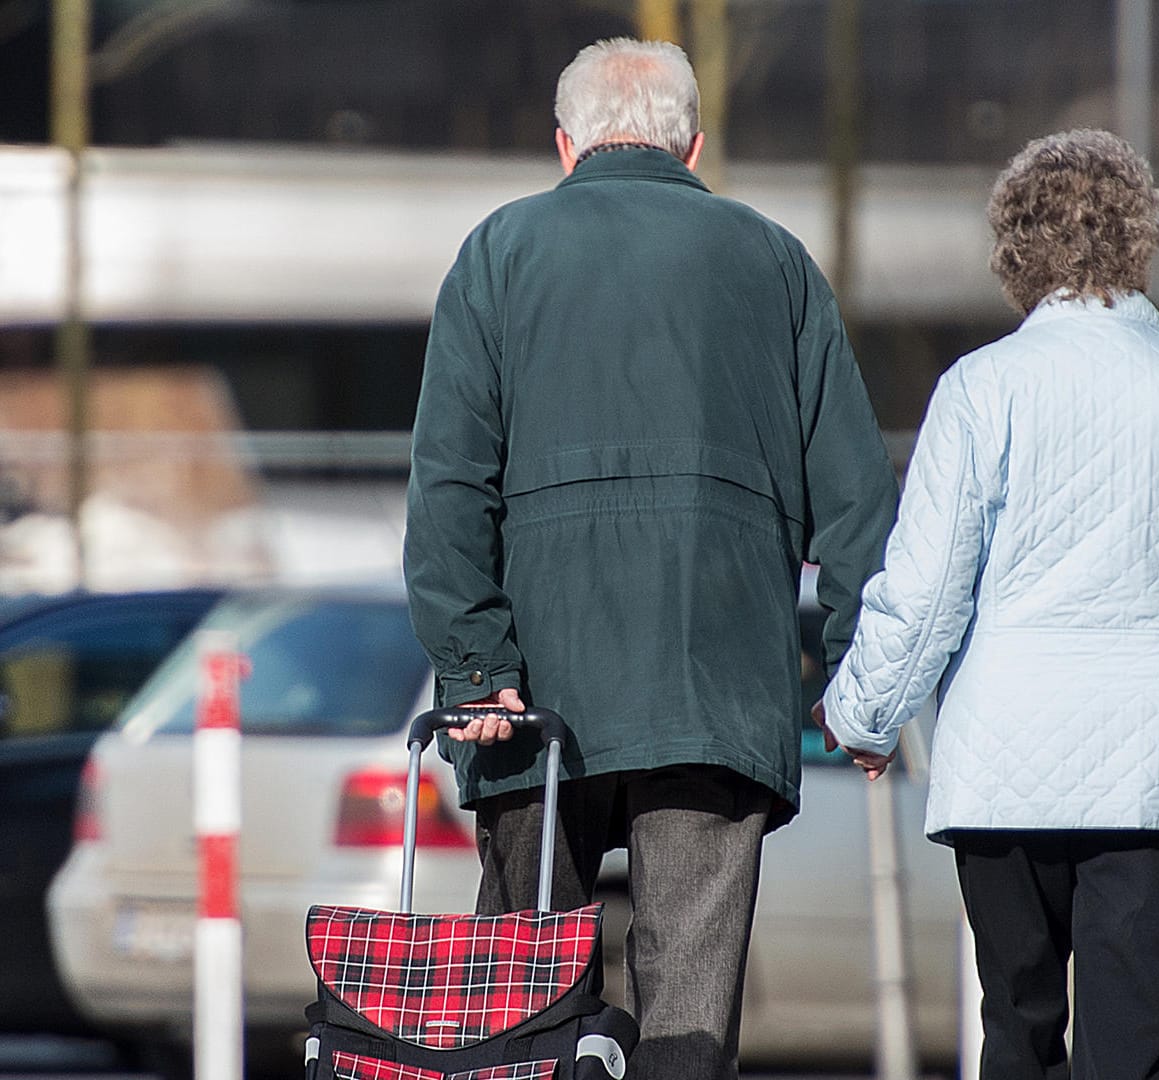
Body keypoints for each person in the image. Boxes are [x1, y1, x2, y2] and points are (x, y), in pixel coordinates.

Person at [403, 38, 897, 1080]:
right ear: (695, 145)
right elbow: (855, 500)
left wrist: (476, 666)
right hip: (712, 686)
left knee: (522, 1008)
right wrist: (863, 679)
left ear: (564, 144)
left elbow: (448, 487)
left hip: (531, 702)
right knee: (690, 1013)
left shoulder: (499, 253)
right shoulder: (775, 263)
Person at [814, 129, 1159, 1080]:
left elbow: (926, 588)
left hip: (1008, 770)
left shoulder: (977, 393)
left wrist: (865, 715)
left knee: (1017, 1032)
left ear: (1016, 251)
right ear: (1141, 241)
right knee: (1134, 1052)